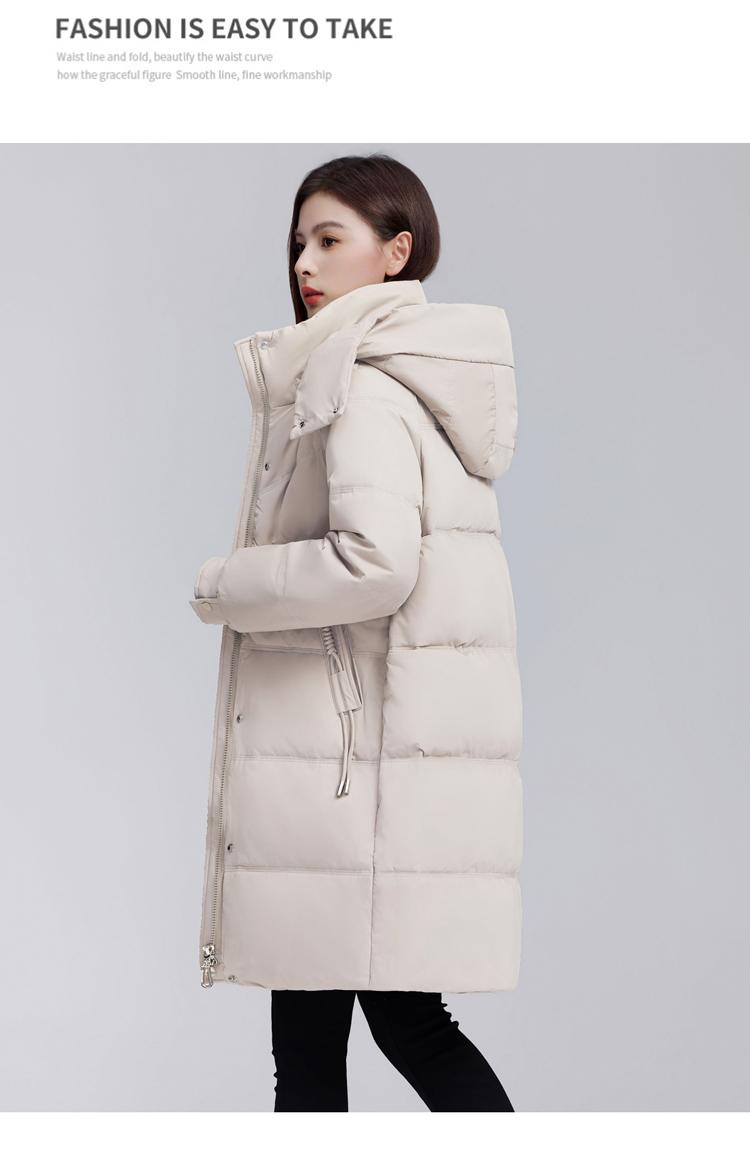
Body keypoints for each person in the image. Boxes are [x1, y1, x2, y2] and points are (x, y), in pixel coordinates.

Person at [190, 152, 523, 1112]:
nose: (305, 262)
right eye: (299, 242)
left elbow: (376, 564)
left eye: (330, 239)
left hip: (345, 776)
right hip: (362, 765)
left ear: (396, 252)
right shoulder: (414, 382)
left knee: (373, 1038)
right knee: (348, 1037)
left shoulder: (363, 386)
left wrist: (225, 584)